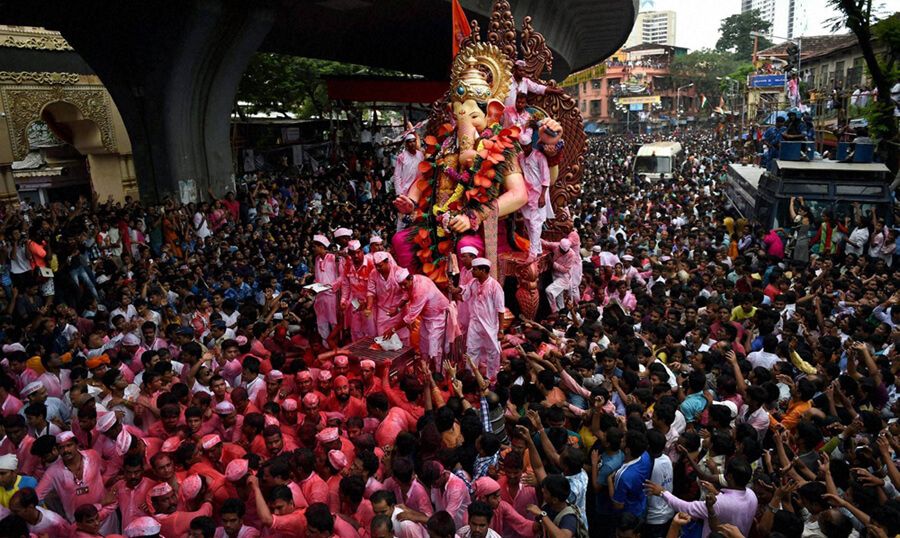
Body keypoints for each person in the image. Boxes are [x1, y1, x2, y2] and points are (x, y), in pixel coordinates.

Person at [454, 258, 504, 380]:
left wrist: (501, 330)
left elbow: (500, 310)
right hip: (475, 323)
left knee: (493, 353)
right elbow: (464, 291)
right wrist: (454, 290)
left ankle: (491, 377)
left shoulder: (495, 286)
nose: (472, 272)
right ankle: (469, 377)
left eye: (475, 269)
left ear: (483, 270)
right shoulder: (473, 282)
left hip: (490, 325)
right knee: (471, 351)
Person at [517, 130, 551, 259]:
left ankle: (532, 253)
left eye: (527, 146)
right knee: (527, 222)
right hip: (526, 193)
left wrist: (543, 195)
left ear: (531, 144)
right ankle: (537, 248)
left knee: (535, 223)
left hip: (538, 194)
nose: (525, 148)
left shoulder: (539, 156)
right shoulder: (520, 156)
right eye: (523, 146)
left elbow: (546, 177)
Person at [542, 238, 579, 313]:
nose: (563, 252)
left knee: (549, 291)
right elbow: (546, 243)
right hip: (555, 275)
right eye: (562, 251)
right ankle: (561, 314)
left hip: (564, 278)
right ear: (559, 247)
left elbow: (565, 269)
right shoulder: (556, 246)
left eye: (565, 251)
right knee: (560, 300)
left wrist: (553, 263)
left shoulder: (572, 255)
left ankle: (554, 311)